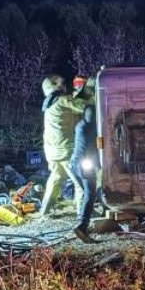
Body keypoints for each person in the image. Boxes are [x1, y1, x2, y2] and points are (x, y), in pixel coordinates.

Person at [38, 74, 90, 218]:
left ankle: (44, 211)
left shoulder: (48, 103)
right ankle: (83, 213)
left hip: (52, 150)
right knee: (80, 183)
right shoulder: (63, 100)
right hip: (66, 150)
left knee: (55, 179)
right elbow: (84, 107)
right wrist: (87, 93)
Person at [70, 102, 100, 243]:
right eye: (89, 114)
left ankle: (84, 223)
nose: (91, 116)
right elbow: (84, 149)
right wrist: (88, 166)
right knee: (90, 194)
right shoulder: (85, 127)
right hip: (82, 163)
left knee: (90, 195)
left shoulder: (85, 125)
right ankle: (82, 226)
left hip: (78, 163)